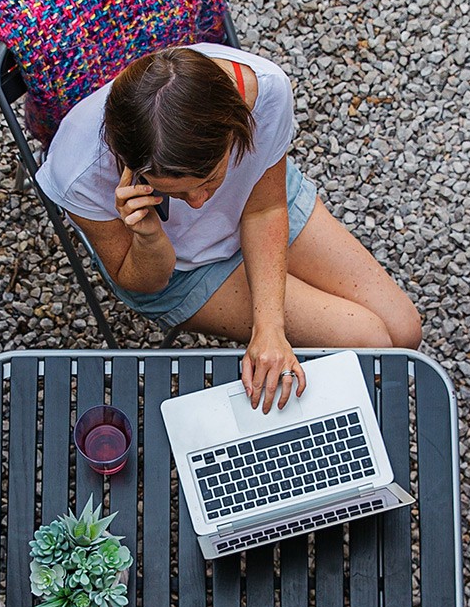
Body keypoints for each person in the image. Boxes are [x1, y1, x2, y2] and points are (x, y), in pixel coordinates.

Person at [36, 42, 422, 413]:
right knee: (370, 341)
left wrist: (269, 327)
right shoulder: (77, 170)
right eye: (177, 193)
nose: (201, 203)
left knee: (404, 333)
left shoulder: (264, 92)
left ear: (235, 129)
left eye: (210, 179)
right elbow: (142, 282)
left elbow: (265, 207)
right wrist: (150, 236)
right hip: (183, 273)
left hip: (261, 208)